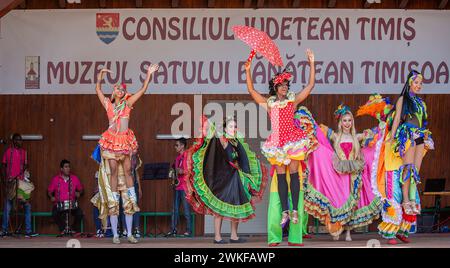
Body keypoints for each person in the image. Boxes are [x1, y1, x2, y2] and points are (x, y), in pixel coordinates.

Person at [245, 49, 317, 246]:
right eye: (282, 85)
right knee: (281, 175)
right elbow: (251, 92)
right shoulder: (269, 104)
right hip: (277, 142)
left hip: (293, 139)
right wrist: (248, 70)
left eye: (286, 84)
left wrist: (311, 63)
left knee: (294, 174)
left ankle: (294, 211)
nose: (285, 87)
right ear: (276, 87)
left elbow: (310, 86)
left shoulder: (292, 102)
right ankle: (285, 211)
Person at [94, 63, 159, 244]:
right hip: (111, 139)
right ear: (113, 92)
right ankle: (115, 230)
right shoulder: (107, 104)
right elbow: (97, 89)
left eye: (122, 89)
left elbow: (143, 89)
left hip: (125, 139)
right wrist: (100, 75)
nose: (120, 90)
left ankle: (131, 203)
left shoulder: (128, 104)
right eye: (117, 89)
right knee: (114, 169)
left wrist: (148, 74)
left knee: (129, 169)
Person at [372, 71, 434, 245]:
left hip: (420, 135)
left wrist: (427, 137)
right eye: (416, 82)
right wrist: (391, 137)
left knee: (414, 173)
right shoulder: (402, 100)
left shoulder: (422, 103)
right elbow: (398, 118)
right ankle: (405, 201)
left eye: (421, 83)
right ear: (409, 83)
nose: (419, 85)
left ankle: (407, 215)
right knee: (407, 170)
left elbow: (423, 122)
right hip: (407, 135)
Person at [305, 104, 382, 241]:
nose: (347, 123)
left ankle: (348, 232)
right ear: (340, 122)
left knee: (353, 203)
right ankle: (337, 229)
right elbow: (319, 133)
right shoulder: (335, 136)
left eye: (349, 120)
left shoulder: (357, 137)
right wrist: (309, 121)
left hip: (353, 173)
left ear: (352, 122)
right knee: (340, 201)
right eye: (345, 120)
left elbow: (374, 135)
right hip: (339, 174)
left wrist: (383, 126)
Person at [184, 116, 267, 244]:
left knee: (236, 205)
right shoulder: (222, 139)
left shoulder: (236, 141)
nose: (233, 129)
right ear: (224, 128)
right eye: (230, 126)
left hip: (236, 177)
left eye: (234, 126)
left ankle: (234, 236)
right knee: (220, 208)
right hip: (224, 179)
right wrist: (210, 126)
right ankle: (217, 237)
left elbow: (242, 158)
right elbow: (214, 144)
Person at [1, 133, 37, 238]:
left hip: (21, 184)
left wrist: (26, 175)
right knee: (8, 207)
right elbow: (3, 166)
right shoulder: (8, 152)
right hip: (11, 182)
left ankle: (28, 231)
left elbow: (25, 167)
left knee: (27, 206)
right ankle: (4, 230)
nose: (20, 141)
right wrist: (4, 180)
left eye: (21, 140)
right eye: (18, 140)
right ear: (14, 141)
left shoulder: (24, 152)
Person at [48, 159, 84, 236]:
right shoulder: (56, 179)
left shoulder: (74, 178)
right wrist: (51, 197)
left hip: (72, 204)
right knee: (54, 214)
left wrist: (79, 193)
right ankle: (64, 229)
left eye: (69, 167)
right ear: (61, 169)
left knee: (80, 213)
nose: (68, 169)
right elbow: (49, 191)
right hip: (59, 204)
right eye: (66, 167)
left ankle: (73, 229)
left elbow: (81, 190)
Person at [166, 138, 192, 237]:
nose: (175, 147)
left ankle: (189, 231)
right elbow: (175, 170)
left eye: (177, 145)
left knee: (186, 210)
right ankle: (173, 230)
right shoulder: (177, 158)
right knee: (174, 210)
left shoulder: (187, 156)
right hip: (177, 186)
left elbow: (189, 171)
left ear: (182, 146)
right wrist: (173, 173)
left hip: (185, 187)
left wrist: (180, 171)